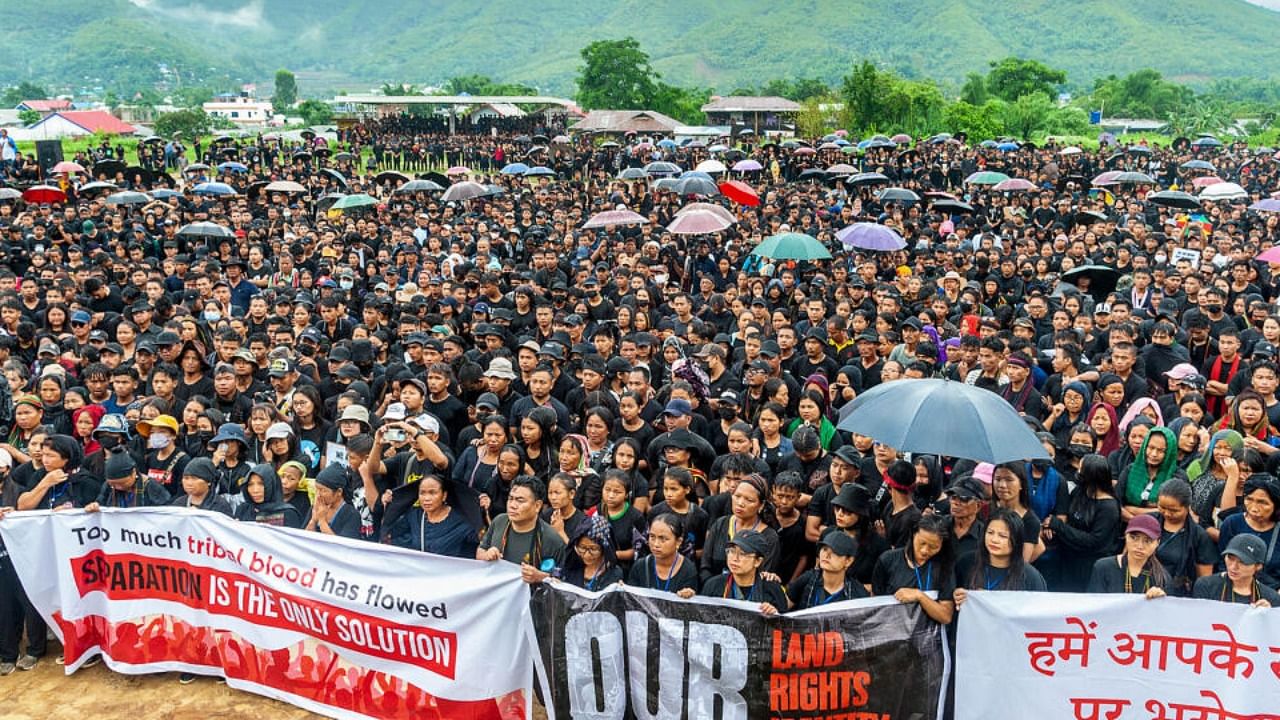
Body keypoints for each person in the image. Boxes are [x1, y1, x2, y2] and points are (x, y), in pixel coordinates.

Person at [477, 475, 566, 583]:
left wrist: (540, 577)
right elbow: (480, 552)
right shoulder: (499, 521)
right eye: (510, 499)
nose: (513, 505)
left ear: (537, 506)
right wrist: (487, 555)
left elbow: (561, 581)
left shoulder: (552, 539)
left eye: (520, 501)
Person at [955, 509, 1047, 610]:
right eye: (990, 532)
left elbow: (1039, 614)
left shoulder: (1030, 577)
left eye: (1002, 536)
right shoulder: (966, 563)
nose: (994, 540)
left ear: (1016, 539)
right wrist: (955, 596)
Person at [872, 514, 956, 624]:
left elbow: (946, 616)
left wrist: (920, 596)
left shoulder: (944, 567)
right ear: (913, 535)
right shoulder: (887, 560)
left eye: (933, 547)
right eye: (922, 543)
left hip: (928, 636)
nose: (925, 550)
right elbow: (874, 605)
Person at [1149, 479, 1217, 597]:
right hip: (1144, 587)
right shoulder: (1149, 522)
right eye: (1162, 507)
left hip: (1178, 594)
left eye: (1174, 511)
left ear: (1187, 507)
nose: (1166, 513)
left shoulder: (1199, 536)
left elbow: (1204, 580)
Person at [695, 530, 787, 615]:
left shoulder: (772, 590)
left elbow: (785, 627)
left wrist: (774, 615)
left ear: (757, 561)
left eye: (743, 554)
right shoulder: (713, 585)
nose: (735, 558)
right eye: (731, 551)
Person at [1086, 514, 1170, 598]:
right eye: (1134, 538)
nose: (1139, 546)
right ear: (1125, 536)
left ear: (1157, 543)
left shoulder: (1162, 578)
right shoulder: (1103, 567)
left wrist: (1160, 600)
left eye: (1147, 541)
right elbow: (1094, 604)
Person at [787, 531, 868, 611]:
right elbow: (783, 607)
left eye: (835, 552)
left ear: (848, 561)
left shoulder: (858, 594)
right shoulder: (807, 579)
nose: (827, 555)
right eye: (825, 549)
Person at [1191, 534, 1280, 607]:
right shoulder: (1206, 585)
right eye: (1230, 558)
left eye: (1243, 562)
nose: (1233, 567)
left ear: (1258, 566)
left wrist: (1268, 616)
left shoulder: (1271, 597)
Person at [628, 513, 700, 594]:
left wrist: (686, 595)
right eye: (652, 537)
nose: (656, 544)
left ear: (678, 542)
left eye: (663, 539)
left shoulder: (688, 570)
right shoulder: (640, 566)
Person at [85, 451, 171, 511]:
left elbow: (165, 511)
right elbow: (100, 502)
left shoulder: (150, 486)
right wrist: (94, 506)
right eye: (113, 484)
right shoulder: (108, 486)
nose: (118, 487)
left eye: (122, 483)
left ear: (133, 473)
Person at [560, 514, 623, 591]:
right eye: (582, 548)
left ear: (604, 548)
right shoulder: (570, 566)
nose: (587, 555)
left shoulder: (614, 574)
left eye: (593, 549)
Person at [233, 463, 304, 528]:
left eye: (261, 484)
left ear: (272, 485)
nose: (255, 490)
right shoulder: (243, 509)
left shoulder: (288, 514)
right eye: (250, 484)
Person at [306, 464, 362, 539]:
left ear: (339, 492)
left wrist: (322, 521)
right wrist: (313, 520)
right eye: (317, 489)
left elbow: (341, 546)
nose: (318, 495)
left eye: (323, 490)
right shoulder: (316, 507)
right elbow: (304, 539)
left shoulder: (351, 515)